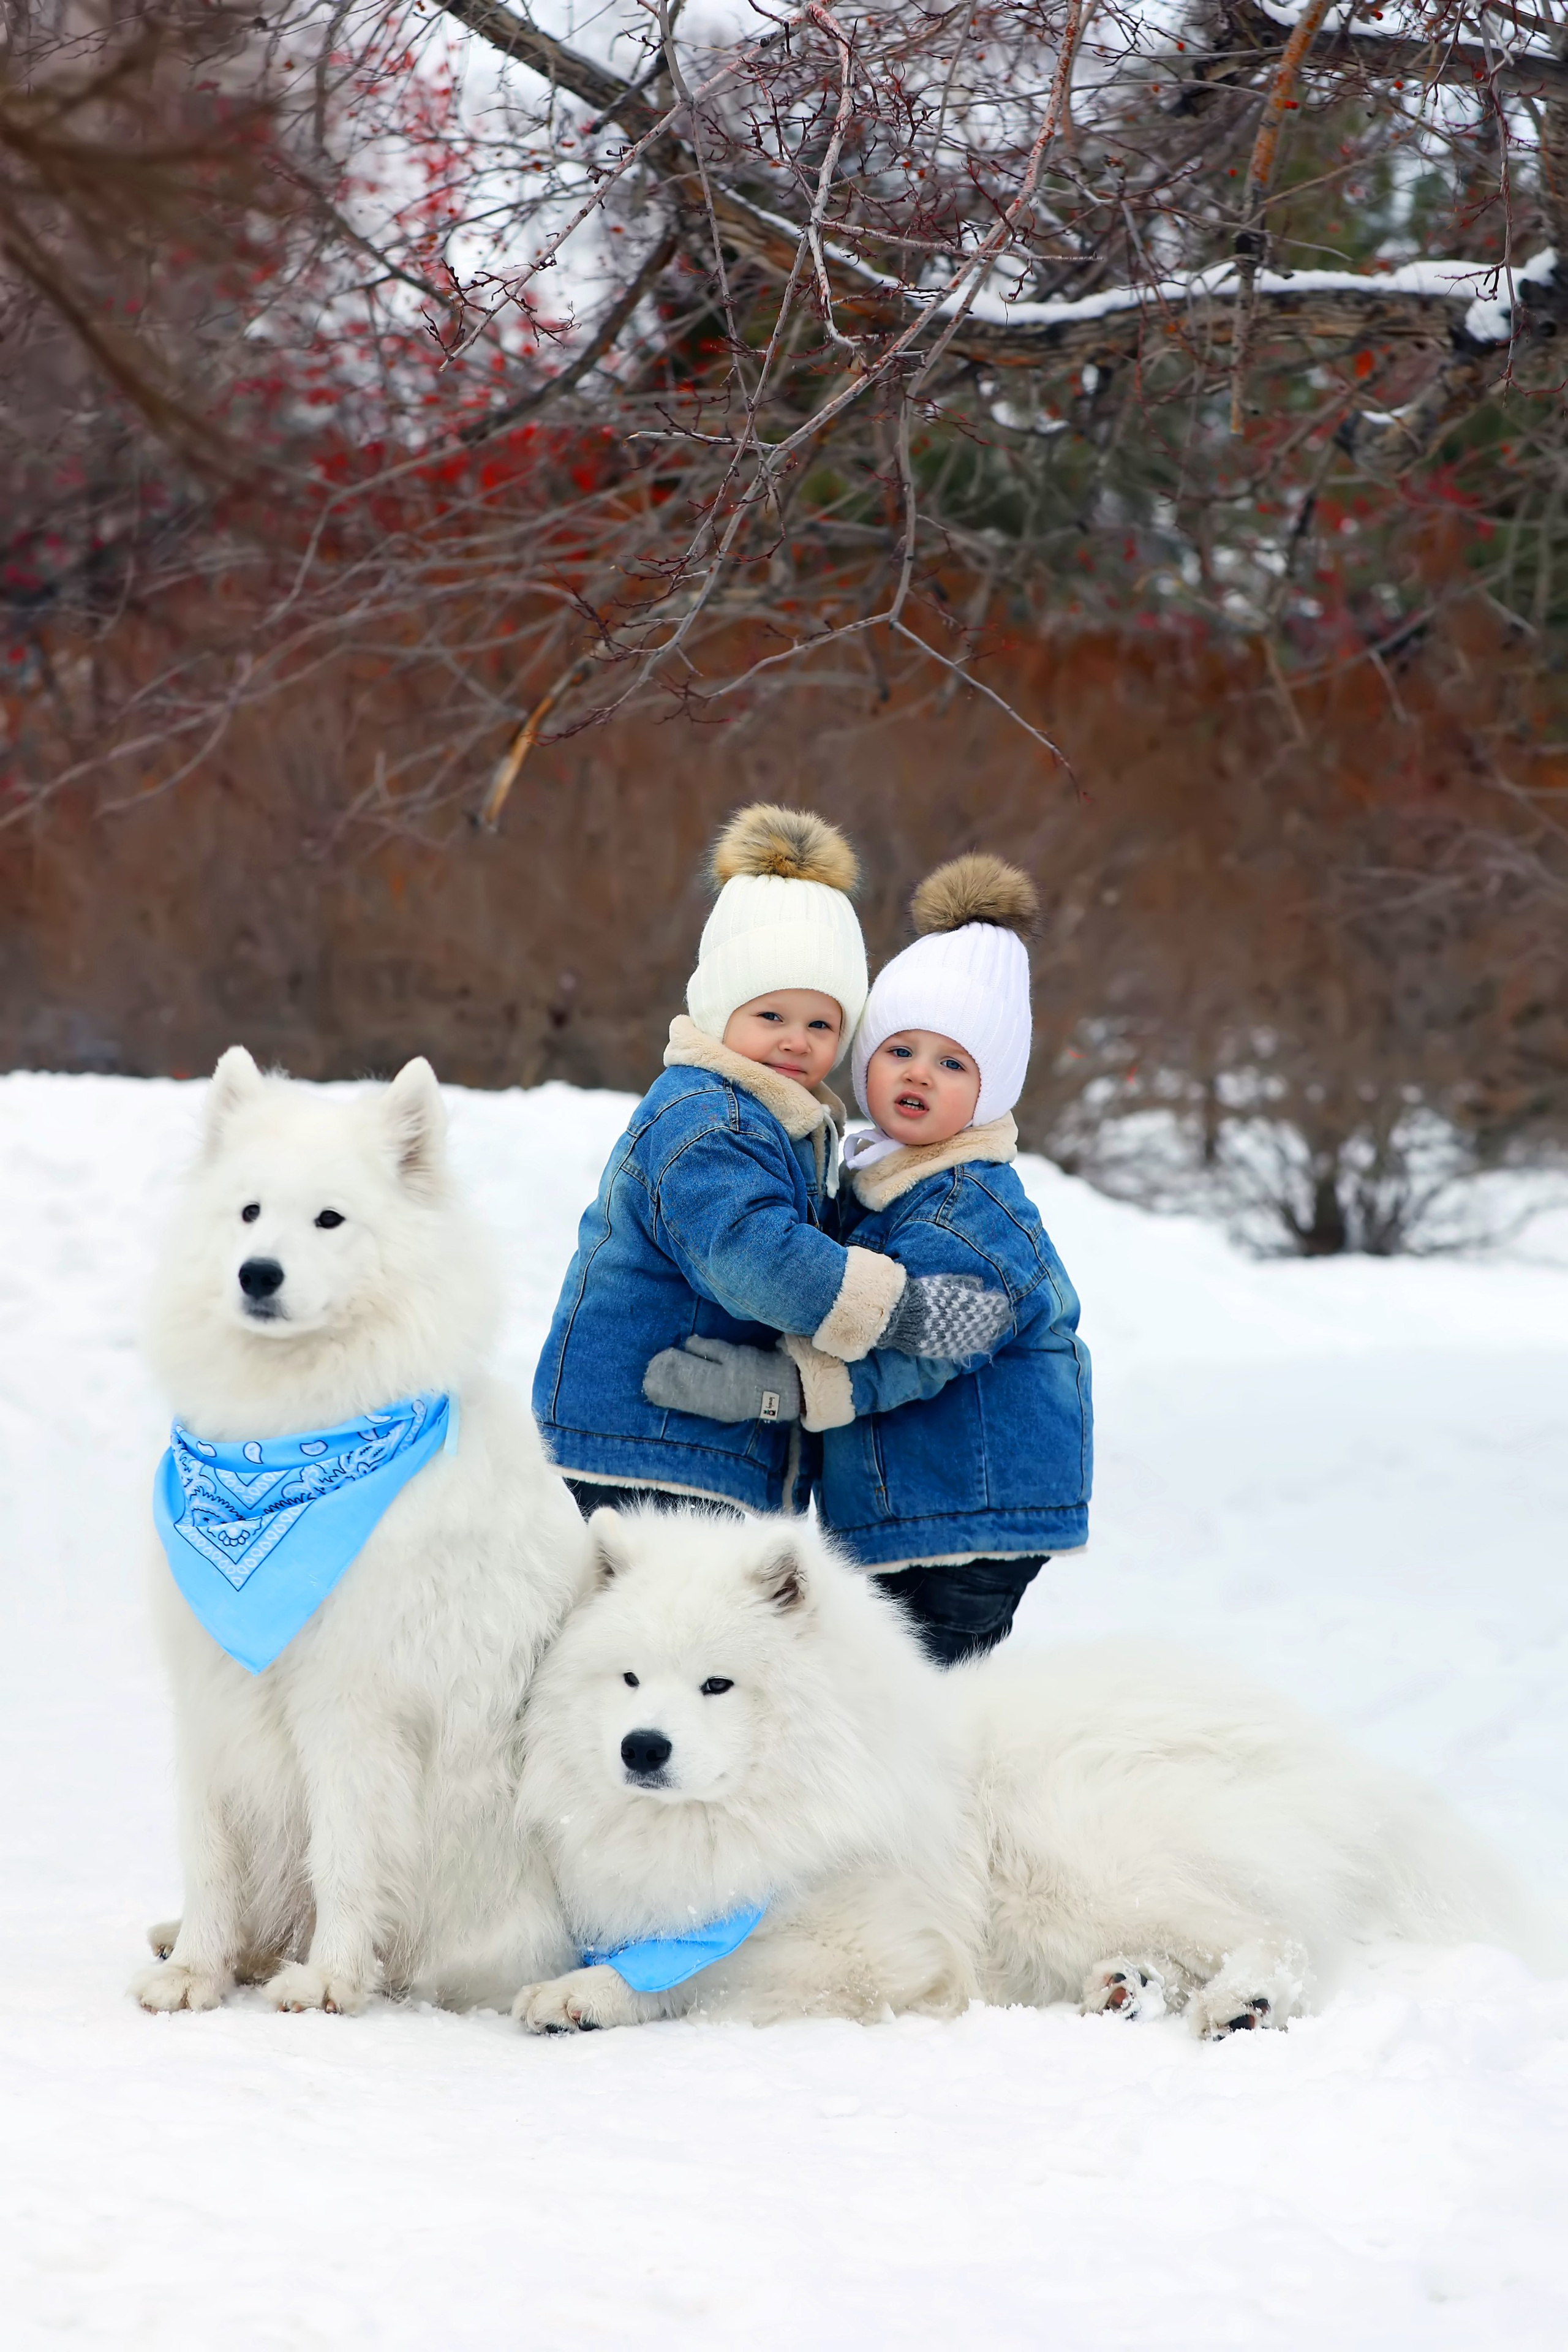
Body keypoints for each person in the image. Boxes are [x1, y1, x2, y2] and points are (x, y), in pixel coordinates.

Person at [532, 806, 1012, 1519]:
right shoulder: (707, 1118)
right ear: (720, 1009)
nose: (795, 1042)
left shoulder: (777, 1121)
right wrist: (900, 1313)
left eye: (820, 1024)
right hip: (645, 1443)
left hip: (687, 1444)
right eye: (770, 1016)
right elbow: (751, 1254)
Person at [670, 852, 1091, 1662]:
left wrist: (784, 1389)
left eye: (953, 1063)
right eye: (901, 1050)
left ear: (992, 1089)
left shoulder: (967, 1202)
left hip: (966, 1511)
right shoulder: (883, 1179)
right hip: (926, 1506)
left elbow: (942, 1338)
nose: (919, 1077)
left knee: (923, 1697)